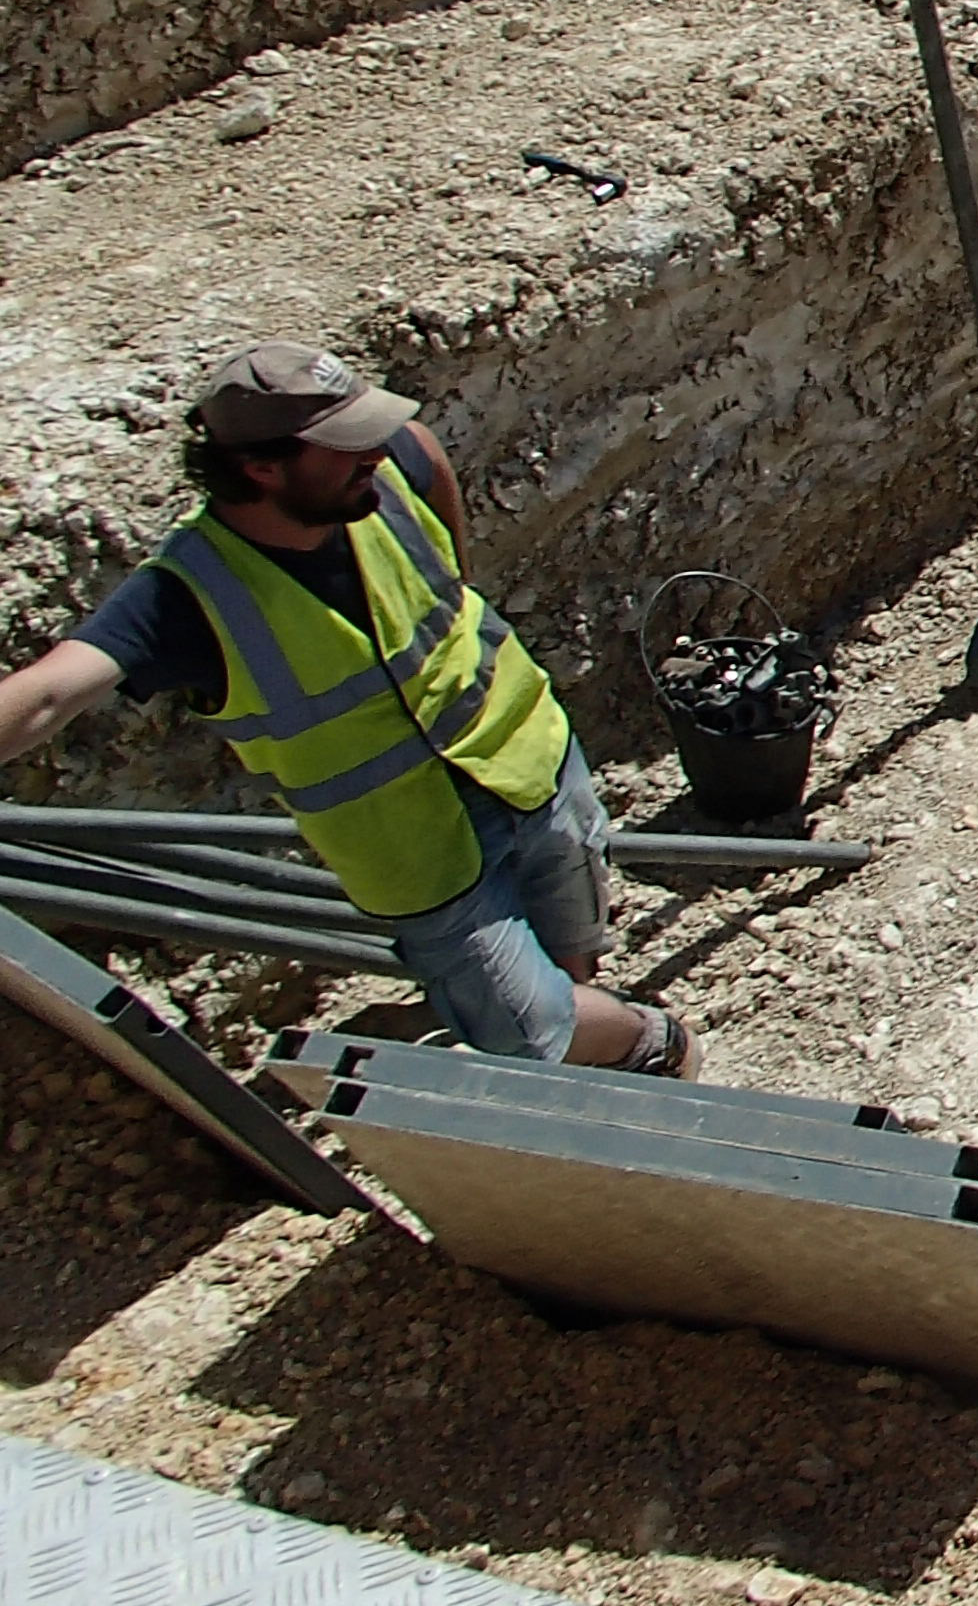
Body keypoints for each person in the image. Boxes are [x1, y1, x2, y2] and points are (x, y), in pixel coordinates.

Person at [0, 342, 695, 1070]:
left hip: (530, 763)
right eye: (345, 445)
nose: (374, 452)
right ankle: (656, 1045)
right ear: (261, 467)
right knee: (530, 1030)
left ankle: (594, 1066)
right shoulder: (187, 598)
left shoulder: (388, 463)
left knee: (570, 964)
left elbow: (432, 488)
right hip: (417, 858)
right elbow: (48, 694)